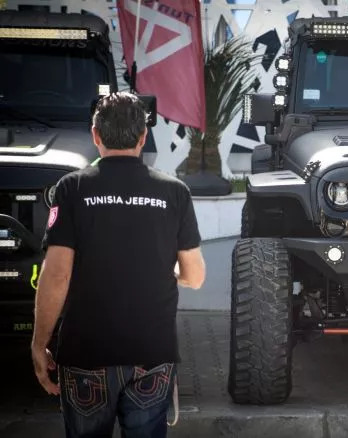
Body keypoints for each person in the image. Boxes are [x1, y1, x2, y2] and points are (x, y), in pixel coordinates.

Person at [31, 92, 206, 438]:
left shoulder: (72, 188)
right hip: (152, 354)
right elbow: (195, 276)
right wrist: (166, 271)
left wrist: (39, 343)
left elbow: (56, 275)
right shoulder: (175, 193)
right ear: (143, 137)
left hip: (86, 354)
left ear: (95, 135)